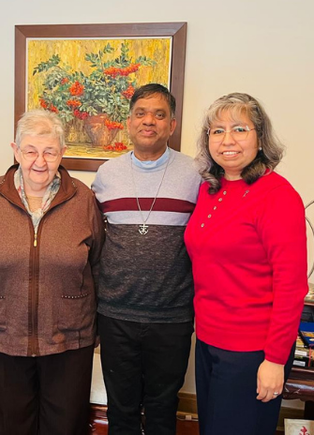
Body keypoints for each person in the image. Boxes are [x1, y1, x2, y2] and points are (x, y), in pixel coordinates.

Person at [0, 109, 104, 435]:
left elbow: (97, 264)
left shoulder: (83, 199)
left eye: (49, 151)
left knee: (65, 425)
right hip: (4, 333)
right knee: (8, 425)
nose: (39, 161)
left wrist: (97, 327)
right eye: (30, 151)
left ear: (62, 153)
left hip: (70, 336)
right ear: (15, 150)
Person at [185, 93, 307, 434]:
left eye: (239, 129)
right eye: (217, 130)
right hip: (209, 340)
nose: (227, 141)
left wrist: (275, 359)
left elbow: (291, 286)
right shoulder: (210, 190)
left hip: (251, 351)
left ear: (260, 137)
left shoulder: (277, 196)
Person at [91, 83, 201, 434]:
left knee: (162, 406)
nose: (148, 121)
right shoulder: (107, 175)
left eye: (159, 114)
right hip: (116, 313)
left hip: (172, 315)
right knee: (120, 406)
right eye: (140, 113)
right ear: (128, 122)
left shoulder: (196, 175)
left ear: (172, 124)